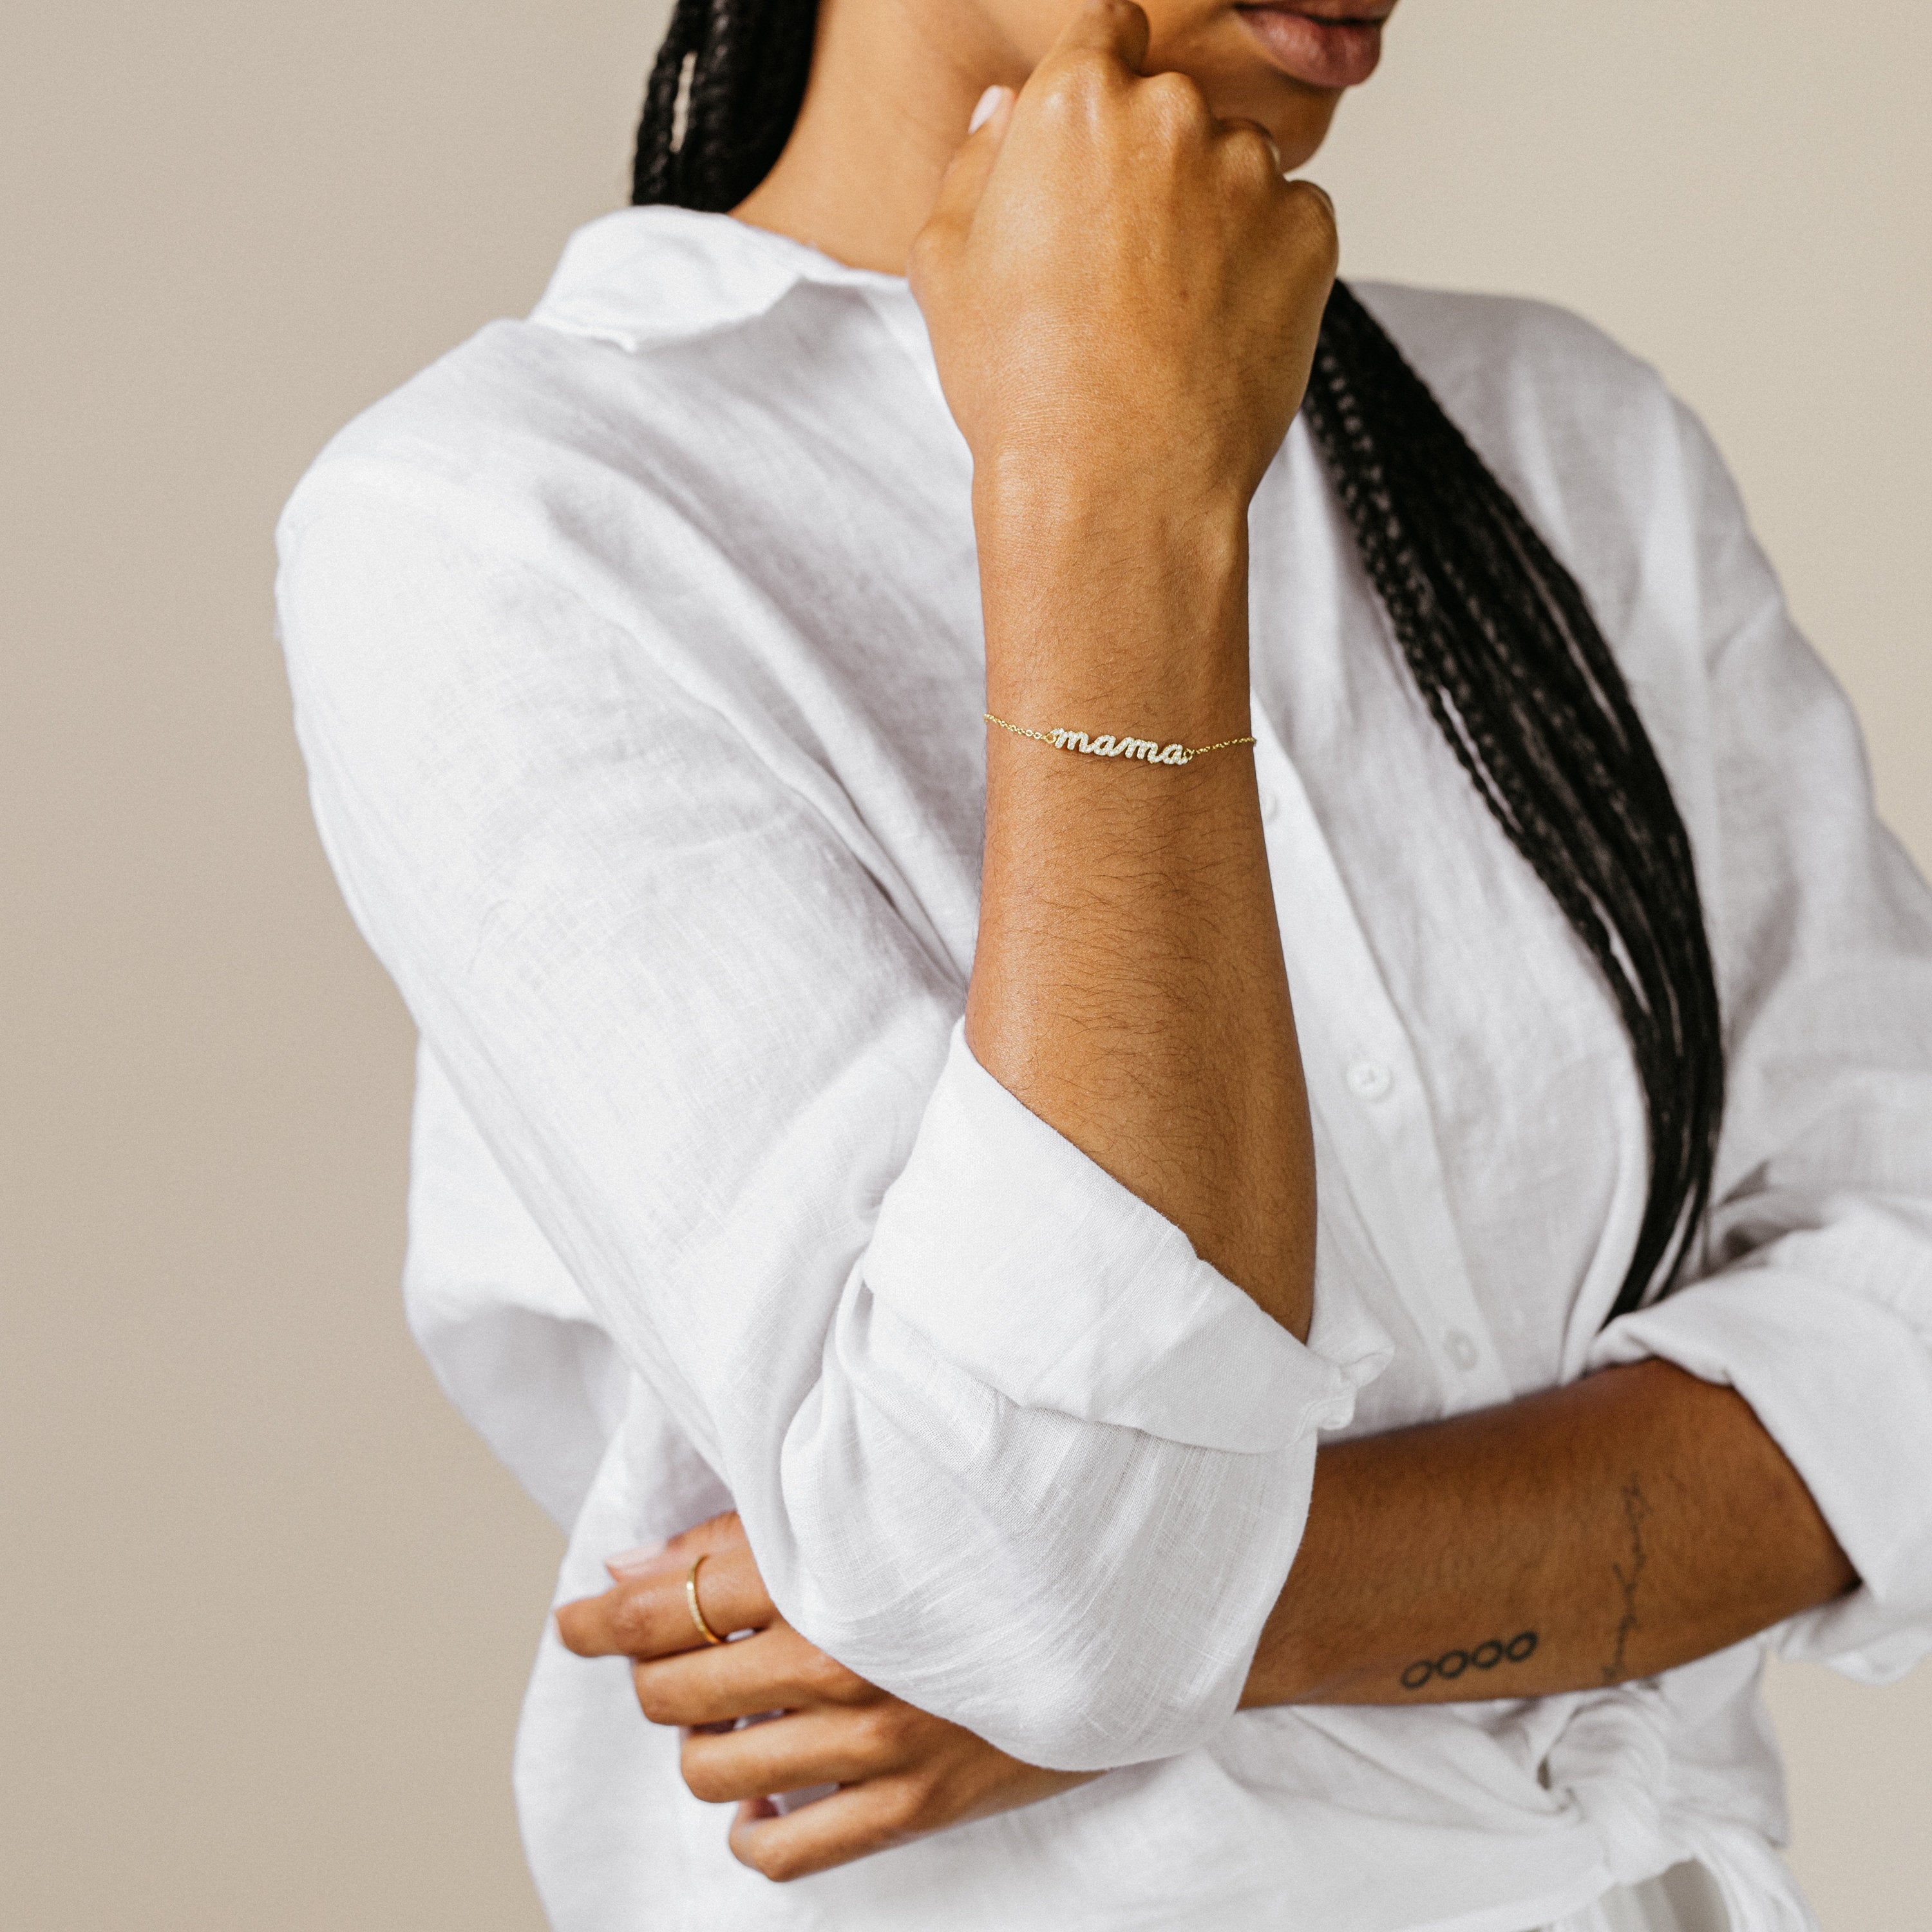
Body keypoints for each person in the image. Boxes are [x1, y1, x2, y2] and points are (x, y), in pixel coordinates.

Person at [275, 0, 1932, 1926]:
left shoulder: (1566, 447)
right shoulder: (513, 527)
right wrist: (1115, 500)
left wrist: (1201, 1628)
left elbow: (1054, 1609)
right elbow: (1051, 1573)